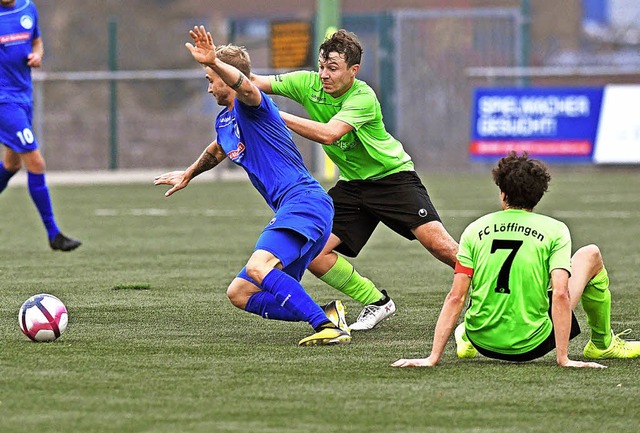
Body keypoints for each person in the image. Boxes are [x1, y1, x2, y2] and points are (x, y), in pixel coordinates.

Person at [154, 26, 350, 346]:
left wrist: (215, 62)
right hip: (299, 208)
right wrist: (188, 173)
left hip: (303, 201)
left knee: (260, 267)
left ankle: (326, 328)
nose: (208, 88)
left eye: (210, 80)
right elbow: (218, 149)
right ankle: (327, 315)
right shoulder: (225, 120)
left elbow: (245, 86)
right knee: (241, 293)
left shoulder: (253, 106)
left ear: (226, 77)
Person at [251, 29, 459, 331]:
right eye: (321, 65)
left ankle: (501, 290)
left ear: (353, 70)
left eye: (332, 68)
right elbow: (253, 83)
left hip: (393, 179)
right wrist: (217, 64)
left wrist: (273, 115)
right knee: (314, 252)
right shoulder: (308, 83)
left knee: (442, 248)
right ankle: (377, 302)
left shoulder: (363, 96)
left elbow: (329, 133)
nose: (323, 74)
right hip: (352, 186)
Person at [392, 152, 640, 368]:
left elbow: (456, 297)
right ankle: (602, 343)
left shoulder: (475, 229)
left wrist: (432, 357)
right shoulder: (555, 230)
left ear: (502, 193)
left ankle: (466, 335)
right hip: (532, 345)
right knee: (591, 254)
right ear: (539, 194)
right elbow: (561, 294)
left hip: (483, 341)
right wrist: (563, 358)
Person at [0, 0, 81, 251]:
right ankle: (53, 234)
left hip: (25, 96)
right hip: (4, 101)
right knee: (36, 161)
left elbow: (36, 40)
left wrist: (38, 55)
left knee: (12, 164)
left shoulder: (28, 8)